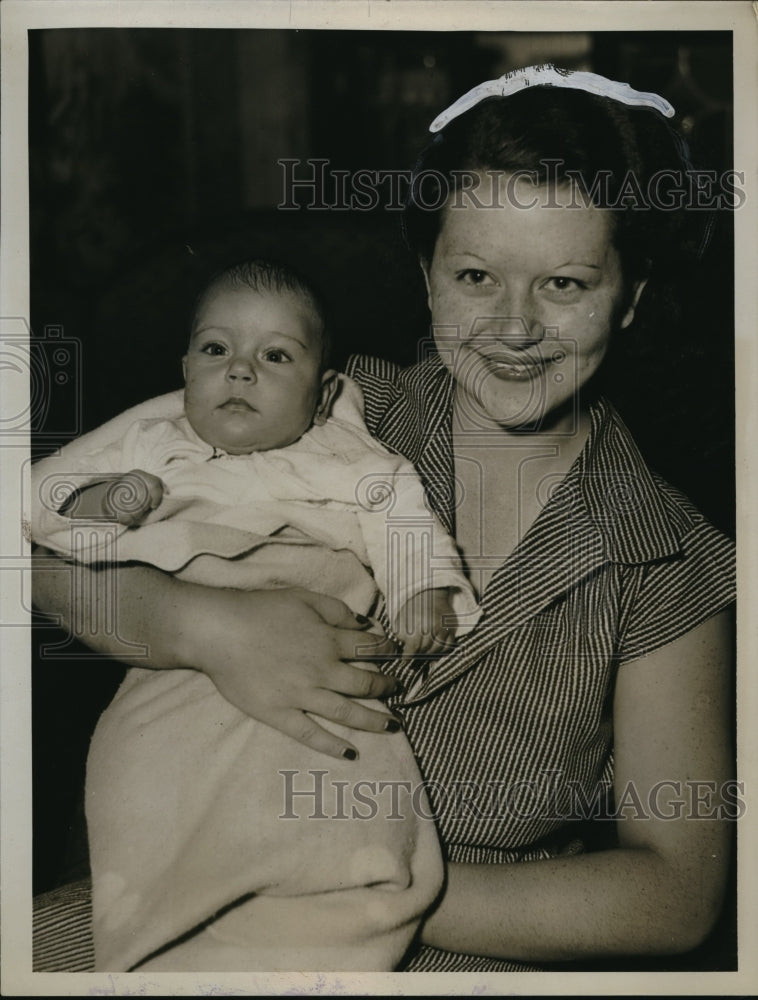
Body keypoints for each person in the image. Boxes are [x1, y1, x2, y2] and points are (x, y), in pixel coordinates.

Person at [32, 65, 736, 973]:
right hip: (178, 900)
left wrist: (365, 881)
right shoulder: (318, 410)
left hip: (457, 949)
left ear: (631, 295)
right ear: (428, 275)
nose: (512, 328)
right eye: (476, 275)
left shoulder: (668, 561)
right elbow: (43, 557)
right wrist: (196, 626)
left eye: (565, 285)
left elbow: (676, 894)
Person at [31, 258, 481, 971]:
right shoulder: (153, 442)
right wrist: (103, 505)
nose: (239, 372)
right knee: (139, 777)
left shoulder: (348, 456)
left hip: (315, 645)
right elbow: (40, 513)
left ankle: (321, 913)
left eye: (275, 356)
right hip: (176, 673)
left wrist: (420, 589)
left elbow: (400, 517)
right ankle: (162, 928)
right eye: (216, 350)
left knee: (343, 780)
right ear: (185, 368)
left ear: (323, 388)